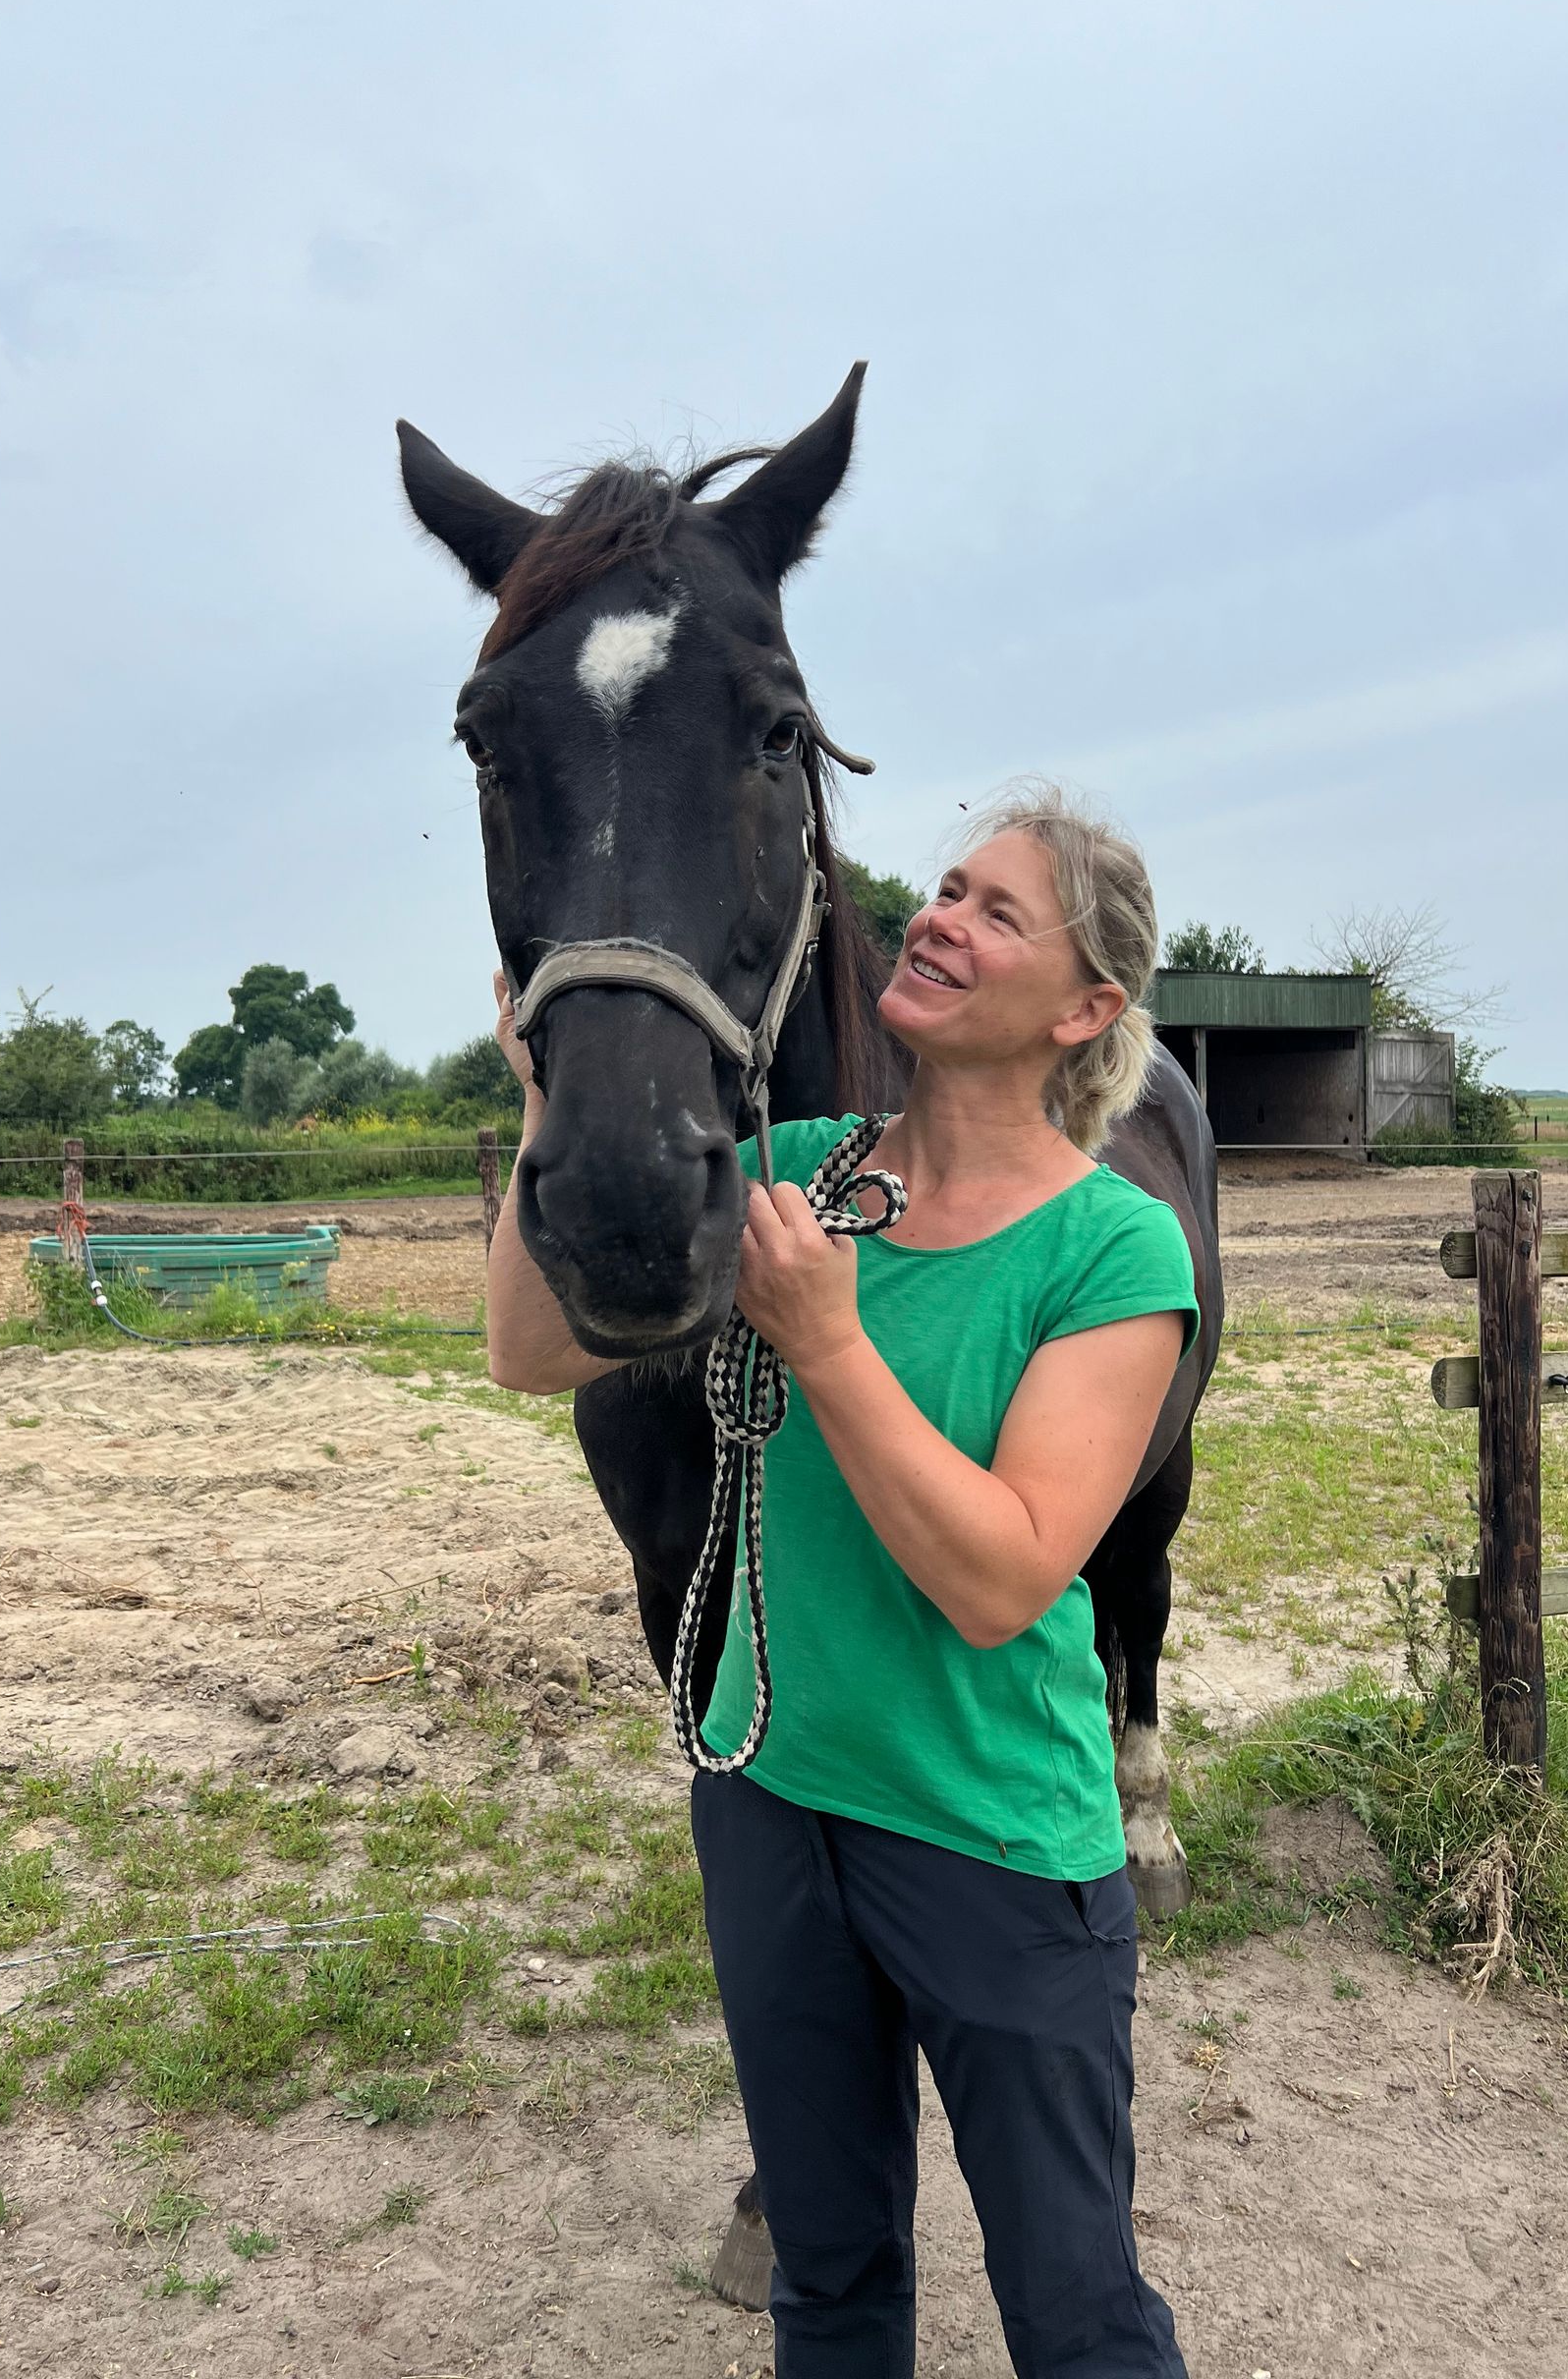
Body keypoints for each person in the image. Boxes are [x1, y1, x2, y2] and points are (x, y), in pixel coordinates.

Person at [490, 782, 1197, 2378]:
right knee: (831, 2276)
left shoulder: (1114, 1251)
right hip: (772, 1804)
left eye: (997, 909)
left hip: (995, 1840)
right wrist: (547, 1105)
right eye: (945, 886)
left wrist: (824, 1335)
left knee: (1076, 2313)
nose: (939, 913)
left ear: (1086, 1009)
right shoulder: (797, 1168)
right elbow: (533, 1352)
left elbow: (1005, 1578)